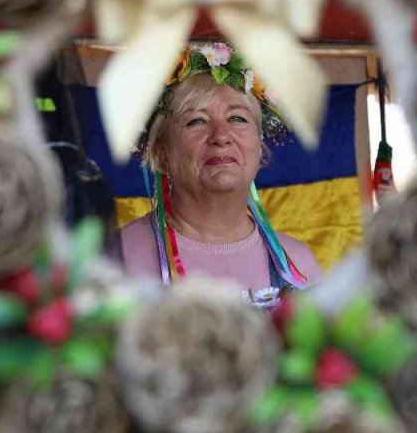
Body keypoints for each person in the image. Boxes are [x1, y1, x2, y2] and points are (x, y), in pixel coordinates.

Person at [119, 43, 323, 299]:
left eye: (237, 118)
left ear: (259, 148)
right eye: (196, 121)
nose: (221, 136)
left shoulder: (300, 266)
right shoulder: (118, 260)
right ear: (161, 153)